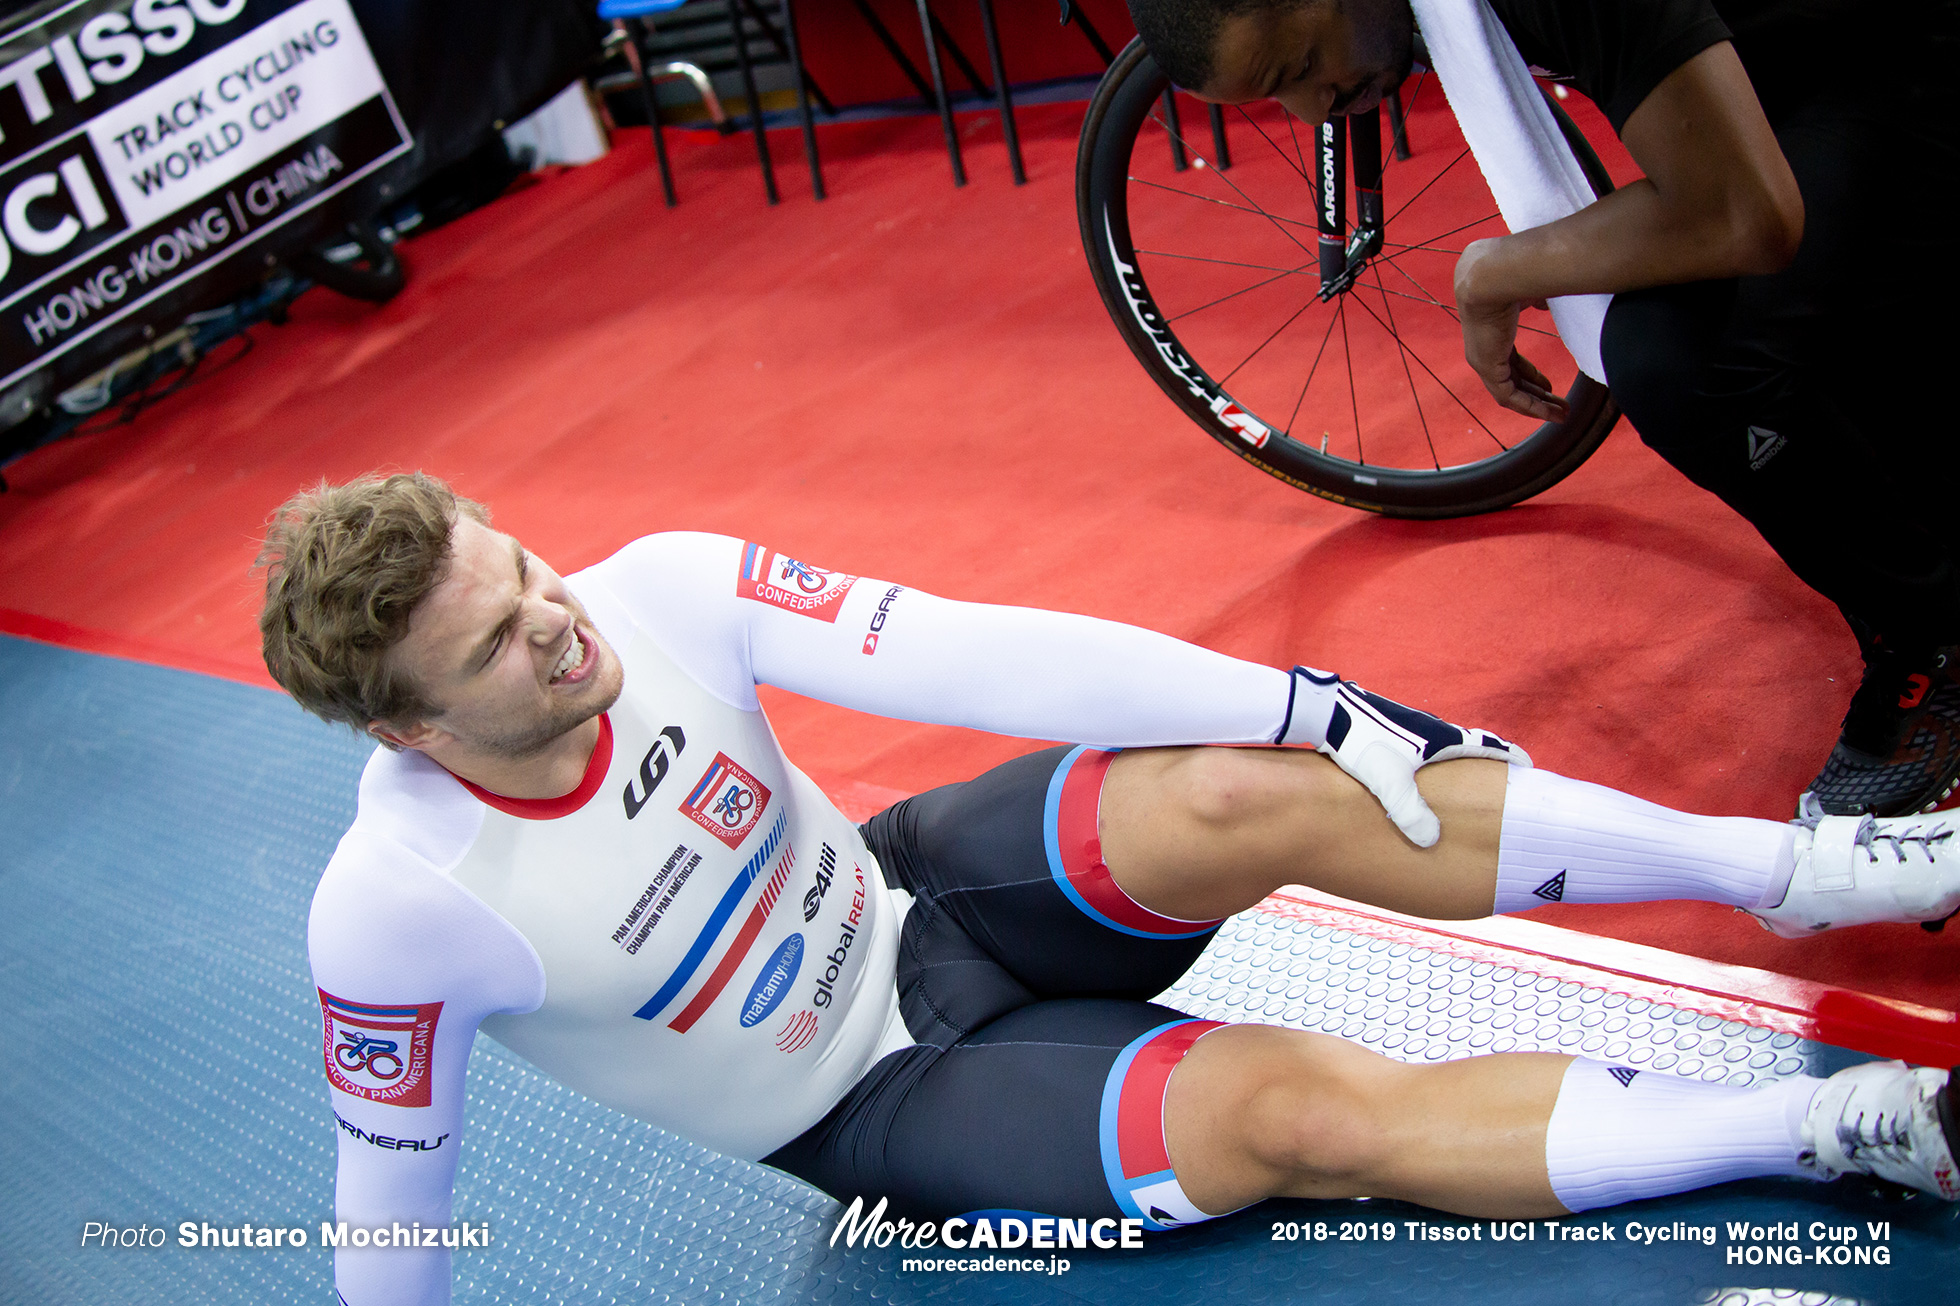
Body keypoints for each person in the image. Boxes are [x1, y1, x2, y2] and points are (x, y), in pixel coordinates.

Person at [262, 474, 1959, 1306]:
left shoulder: (660, 594)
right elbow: (388, 1196)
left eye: (527, 569)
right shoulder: (399, 906)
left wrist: (1307, 705)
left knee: (1260, 776)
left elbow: (992, 655)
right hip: (871, 1099)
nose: (560, 622)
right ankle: (1826, 1128)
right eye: (498, 640)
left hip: (928, 895)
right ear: (410, 721)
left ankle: (1802, 870)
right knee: (1299, 1115)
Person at [1123, 0, 1960, 819]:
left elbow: (1741, 214)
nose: (1312, 110)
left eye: (1302, 68)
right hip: (1808, 67)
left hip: (1899, 55)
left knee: (1682, 363)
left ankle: (1935, 644)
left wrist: (1493, 273)